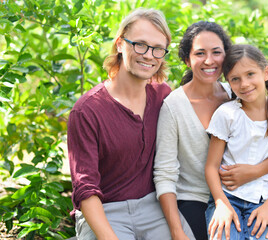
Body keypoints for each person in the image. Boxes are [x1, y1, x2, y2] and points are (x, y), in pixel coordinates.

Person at [67, 8, 193, 240]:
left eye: (158, 49)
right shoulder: (86, 111)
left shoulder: (163, 96)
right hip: (104, 211)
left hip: (154, 208)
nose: (149, 55)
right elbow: (85, 189)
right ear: (119, 44)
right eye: (140, 44)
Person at [154, 21, 268, 240]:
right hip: (194, 198)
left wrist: (255, 171)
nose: (209, 60)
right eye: (200, 53)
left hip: (243, 194)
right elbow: (164, 175)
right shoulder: (173, 106)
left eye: (216, 52)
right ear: (187, 59)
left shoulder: (240, 90)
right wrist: (176, 230)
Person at [205, 44, 268, 240]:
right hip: (227, 198)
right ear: (229, 83)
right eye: (235, 79)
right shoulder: (227, 114)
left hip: (263, 201)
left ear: (266, 72)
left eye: (250, 74)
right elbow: (211, 167)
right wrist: (221, 204)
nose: (244, 84)